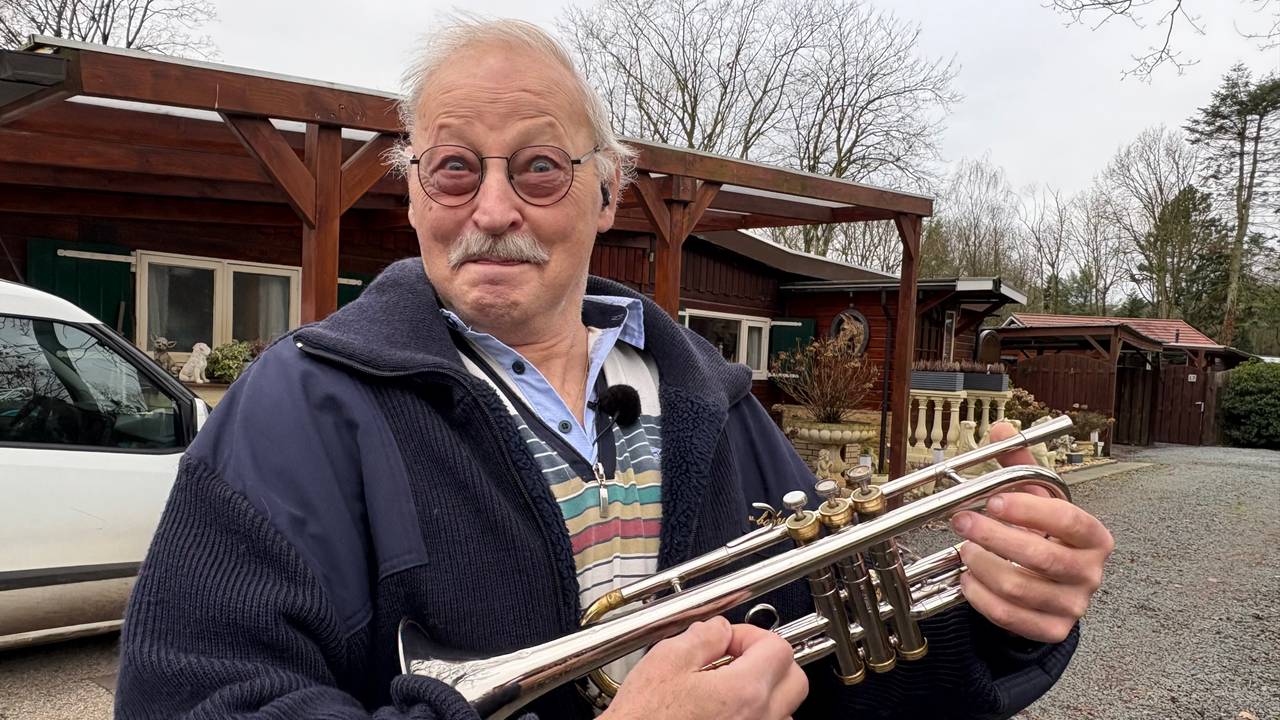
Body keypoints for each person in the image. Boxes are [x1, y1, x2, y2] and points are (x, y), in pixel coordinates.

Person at [114, 17, 1115, 720]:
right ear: (413, 197)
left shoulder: (707, 400)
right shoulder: (292, 411)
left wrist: (992, 618)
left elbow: (833, 669)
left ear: (605, 195)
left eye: (540, 167)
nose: (494, 209)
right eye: (455, 166)